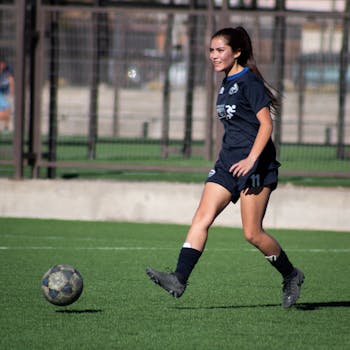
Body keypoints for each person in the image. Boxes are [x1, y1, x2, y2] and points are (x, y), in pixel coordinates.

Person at [146, 26, 304, 308]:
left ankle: (291, 274)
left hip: (255, 165)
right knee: (201, 218)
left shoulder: (249, 83)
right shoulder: (225, 82)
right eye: (211, 50)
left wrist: (251, 160)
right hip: (227, 163)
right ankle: (179, 279)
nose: (214, 56)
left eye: (220, 50)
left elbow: (267, 124)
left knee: (252, 233)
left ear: (237, 52)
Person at [0, 58, 15, 133]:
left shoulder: (8, 70)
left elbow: (11, 80)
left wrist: (12, 91)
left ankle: (6, 127)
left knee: (7, 110)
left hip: (5, 93)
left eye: (2, 64)